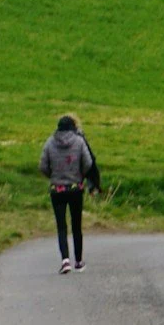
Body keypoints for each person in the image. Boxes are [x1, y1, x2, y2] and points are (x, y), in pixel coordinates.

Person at [39, 113, 99, 273]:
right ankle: (78, 261)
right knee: (76, 225)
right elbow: (88, 163)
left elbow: (43, 166)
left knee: (61, 226)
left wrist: (53, 176)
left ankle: (65, 260)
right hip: (75, 188)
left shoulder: (50, 142)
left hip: (57, 189)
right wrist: (79, 176)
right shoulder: (79, 141)